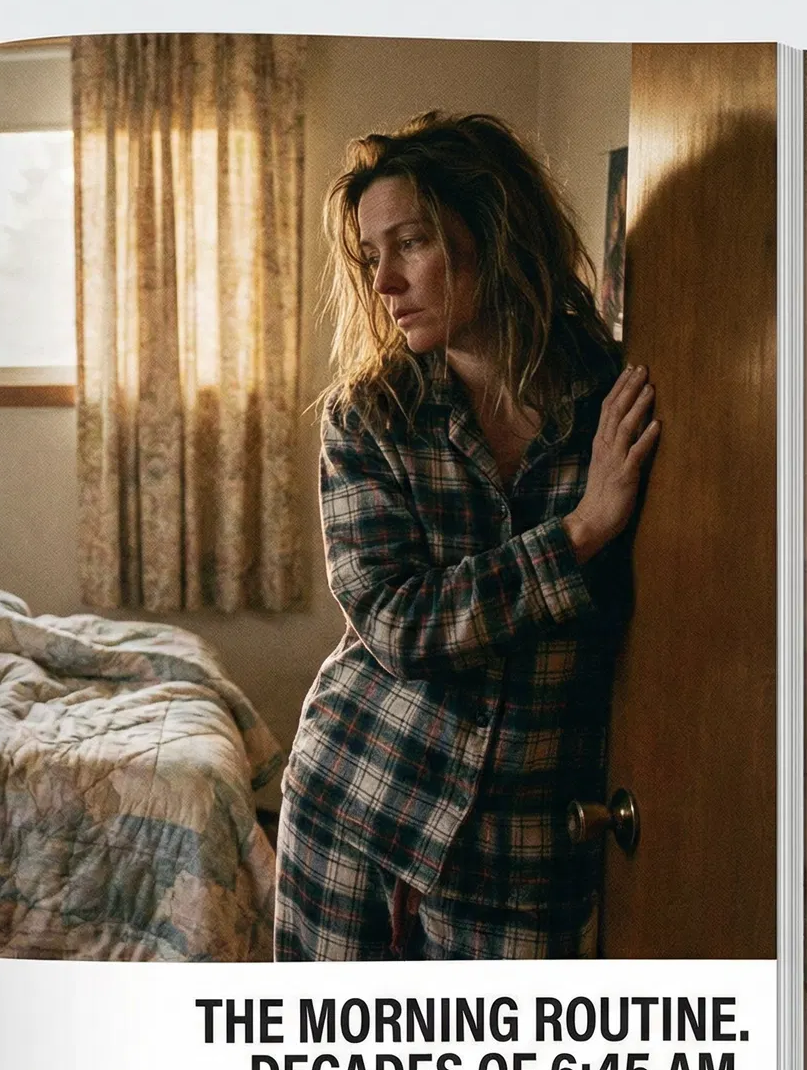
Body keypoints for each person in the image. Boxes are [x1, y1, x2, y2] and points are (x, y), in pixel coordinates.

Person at [275, 112, 659, 962]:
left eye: (409, 244)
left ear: (494, 232)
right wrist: (582, 530)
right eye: (373, 257)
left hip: (523, 850)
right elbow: (399, 622)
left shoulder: (618, 401)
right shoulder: (369, 417)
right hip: (358, 802)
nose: (385, 282)